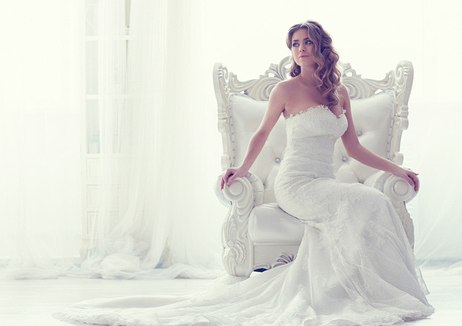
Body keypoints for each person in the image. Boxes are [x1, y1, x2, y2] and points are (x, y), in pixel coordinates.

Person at [55, 21, 434, 325]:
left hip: (325, 183)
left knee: (375, 200)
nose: (301, 49)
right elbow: (262, 134)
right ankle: (360, 289)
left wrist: (397, 167)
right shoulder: (285, 90)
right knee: (366, 200)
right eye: (295, 44)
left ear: (321, 48)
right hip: (296, 185)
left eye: (307, 42)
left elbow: (353, 148)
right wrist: (240, 169)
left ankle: (362, 288)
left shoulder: (339, 94)